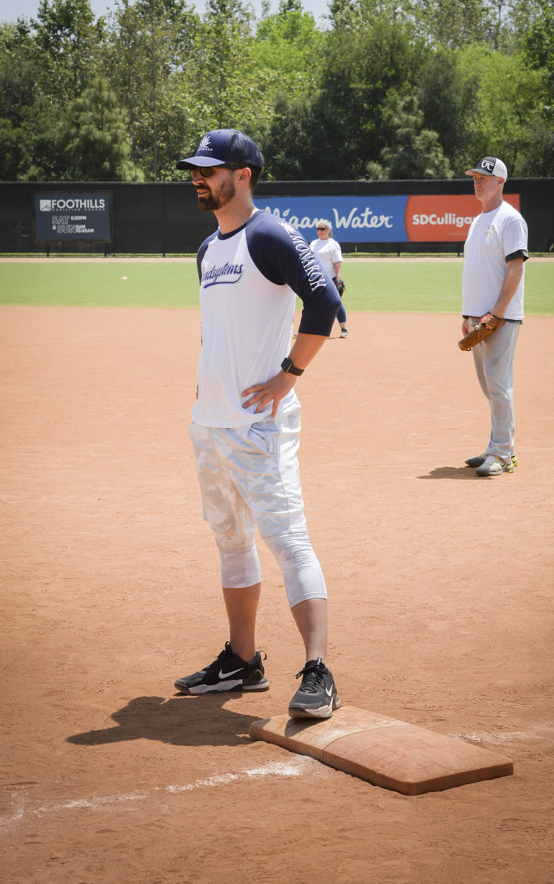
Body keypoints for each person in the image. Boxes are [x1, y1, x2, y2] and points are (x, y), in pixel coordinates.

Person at [173, 129, 342, 719]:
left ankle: (319, 671)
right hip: (210, 425)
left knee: (288, 541)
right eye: (195, 170)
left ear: (242, 175)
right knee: (231, 542)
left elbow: (325, 302)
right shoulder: (207, 248)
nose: (197, 178)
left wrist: (288, 375)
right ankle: (242, 662)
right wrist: (207, 379)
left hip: (259, 426)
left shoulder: (269, 234)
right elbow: (215, 326)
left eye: (208, 170)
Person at [461, 156, 529, 477]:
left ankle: (502, 452)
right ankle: (498, 446)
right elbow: (476, 270)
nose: (478, 182)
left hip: (500, 318)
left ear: (501, 181)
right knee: (489, 387)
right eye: (475, 178)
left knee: (499, 386)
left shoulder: (510, 219)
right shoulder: (478, 220)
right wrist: (468, 316)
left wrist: (497, 313)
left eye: (484, 178)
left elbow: (515, 267)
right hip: (479, 318)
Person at [310, 219, 348, 338]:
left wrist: (339, 279)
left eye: (322, 229)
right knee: (313, 304)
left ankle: (344, 329)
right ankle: (310, 329)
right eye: (318, 229)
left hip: (330, 278)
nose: (319, 231)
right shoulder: (313, 243)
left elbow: (337, 263)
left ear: (328, 230)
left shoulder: (332, 244)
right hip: (315, 278)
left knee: (335, 302)